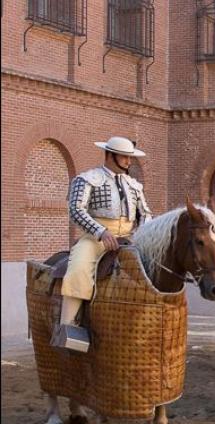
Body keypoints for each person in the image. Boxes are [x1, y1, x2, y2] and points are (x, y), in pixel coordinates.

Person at [59, 136, 152, 333]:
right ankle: (67, 329)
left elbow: (145, 214)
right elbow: (76, 210)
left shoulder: (134, 185)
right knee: (78, 269)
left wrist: (141, 236)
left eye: (130, 157)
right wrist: (100, 232)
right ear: (110, 155)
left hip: (129, 239)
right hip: (96, 239)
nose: (129, 161)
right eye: (124, 157)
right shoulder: (87, 179)